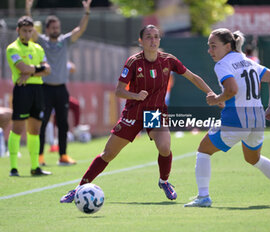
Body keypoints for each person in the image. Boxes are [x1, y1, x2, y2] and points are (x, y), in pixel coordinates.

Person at [60, 24, 214, 203]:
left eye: (156, 36)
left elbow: (193, 77)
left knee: (164, 148)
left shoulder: (168, 60)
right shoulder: (133, 62)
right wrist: (135, 95)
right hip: (133, 113)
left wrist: (212, 94)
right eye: (148, 36)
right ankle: (78, 189)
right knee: (108, 154)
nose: (153, 40)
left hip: (154, 113)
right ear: (141, 41)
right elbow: (118, 91)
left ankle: (164, 181)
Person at [184, 28, 270, 207]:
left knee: (203, 150)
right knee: (253, 158)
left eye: (214, 46)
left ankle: (203, 197)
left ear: (228, 46)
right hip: (258, 119)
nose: (210, 51)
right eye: (209, 46)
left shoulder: (222, 64)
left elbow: (232, 90)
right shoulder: (247, 61)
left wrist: (217, 99)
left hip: (237, 120)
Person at [26, 0, 92, 166]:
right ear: (47, 29)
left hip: (61, 89)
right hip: (45, 89)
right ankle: (40, 156)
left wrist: (86, 12)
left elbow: (80, 29)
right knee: (43, 123)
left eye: (57, 27)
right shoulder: (41, 41)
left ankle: (63, 156)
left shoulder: (65, 41)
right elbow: (31, 30)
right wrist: (28, 9)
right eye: (53, 28)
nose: (56, 30)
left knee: (63, 123)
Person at [6, 16, 52, 176]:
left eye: (30, 30)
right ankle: (13, 167)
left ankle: (35, 167)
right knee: (18, 128)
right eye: (24, 30)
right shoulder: (12, 48)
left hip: (37, 90)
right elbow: (21, 67)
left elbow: (48, 69)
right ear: (18, 31)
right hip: (22, 89)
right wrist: (36, 69)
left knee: (35, 129)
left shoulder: (38, 48)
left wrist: (30, 71)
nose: (27, 33)